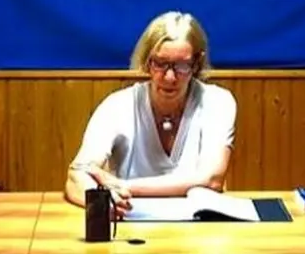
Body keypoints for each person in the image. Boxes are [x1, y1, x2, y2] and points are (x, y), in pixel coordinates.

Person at [65, 12, 237, 215]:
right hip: (132, 224)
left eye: (181, 66)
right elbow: (78, 173)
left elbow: (212, 180)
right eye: (160, 63)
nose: (170, 77)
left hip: (199, 227)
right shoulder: (118, 105)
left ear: (196, 64)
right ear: (147, 62)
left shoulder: (217, 101)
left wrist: (124, 186)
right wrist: (103, 201)